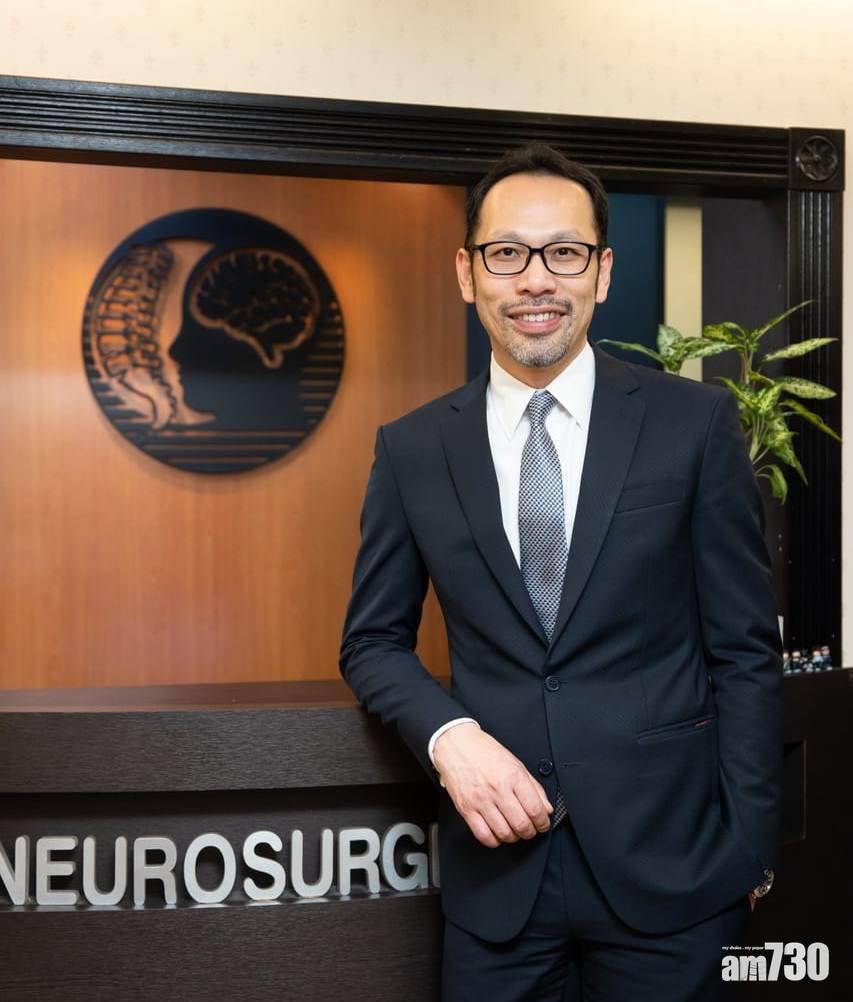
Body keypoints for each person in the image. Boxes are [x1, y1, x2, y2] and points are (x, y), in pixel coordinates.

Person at [340, 144, 782, 1001]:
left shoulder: (693, 424)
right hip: (498, 889)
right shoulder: (413, 448)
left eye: (564, 253)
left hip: (675, 880)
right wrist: (450, 738)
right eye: (507, 253)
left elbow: (742, 651)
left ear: (602, 272)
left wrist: (748, 852)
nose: (536, 280)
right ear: (467, 273)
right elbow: (372, 642)